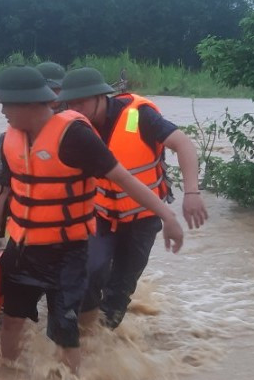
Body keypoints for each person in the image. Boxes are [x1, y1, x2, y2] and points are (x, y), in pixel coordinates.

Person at [0, 66, 184, 374]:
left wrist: (168, 216)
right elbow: (6, 190)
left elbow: (124, 179)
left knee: (66, 331)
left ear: (32, 103)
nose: (4, 112)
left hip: (66, 253)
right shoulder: (11, 139)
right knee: (12, 321)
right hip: (22, 249)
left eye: (7, 104)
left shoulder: (75, 136)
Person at [56, 67, 207, 329]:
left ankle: (106, 342)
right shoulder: (74, 125)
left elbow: (184, 144)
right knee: (91, 271)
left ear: (100, 96)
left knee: (119, 291)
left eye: (81, 101)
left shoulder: (140, 116)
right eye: (71, 102)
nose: (75, 107)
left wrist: (191, 192)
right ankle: (83, 335)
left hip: (143, 219)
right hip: (101, 215)